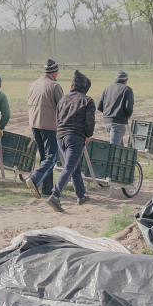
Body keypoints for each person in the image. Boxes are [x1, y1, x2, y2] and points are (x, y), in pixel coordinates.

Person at [46, 70, 95, 213]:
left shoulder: (63, 99)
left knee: (74, 166)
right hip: (75, 137)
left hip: (60, 136)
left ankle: (80, 195)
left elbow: (57, 118)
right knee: (69, 167)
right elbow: (90, 121)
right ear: (84, 86)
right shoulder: (87, 100)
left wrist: (60, 133)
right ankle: (55, 195)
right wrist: (88, 135)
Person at [25, 59, 64, 199]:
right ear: (55, 72)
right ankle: (34, 179)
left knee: (44, 158)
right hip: (49, 126)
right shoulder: (54, 86)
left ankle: (47, 189)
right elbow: (62, 108)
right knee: (51, 157)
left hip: (34, 124)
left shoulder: (33, 84)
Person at [97, 71, 134, 146]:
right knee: (113, 147)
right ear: (126, 80)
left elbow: (99, 107)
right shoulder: (127, 89)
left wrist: (109, 114)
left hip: (107, 121)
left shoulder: (107, 89)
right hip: (118, 121)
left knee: (119, 147)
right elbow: (128, 107)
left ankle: (122, 158)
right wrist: (128, 115)